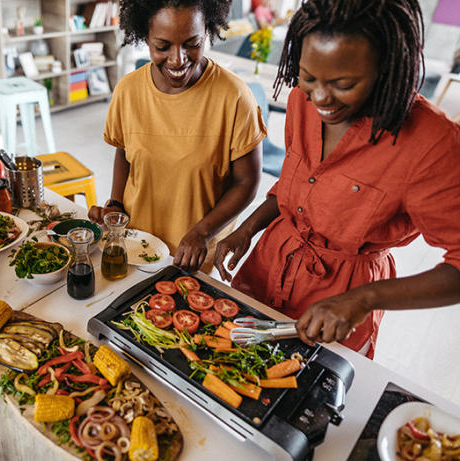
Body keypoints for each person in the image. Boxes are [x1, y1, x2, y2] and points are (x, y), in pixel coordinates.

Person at [214, 0, 460, 359]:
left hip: (340, 299)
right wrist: (247, 229)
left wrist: (363, 299)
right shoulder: (304, 99)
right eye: (308, 77)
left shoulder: (432, 144)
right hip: (267, 267)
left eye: (343, 84)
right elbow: (295, 185)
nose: (320, 98)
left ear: (387, 68)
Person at [88, 0, 266, 273]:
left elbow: (247, 181)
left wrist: (203, 232)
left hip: (194, 257)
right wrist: (116, 205)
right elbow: (124, 153)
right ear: (145, 37)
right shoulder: (128, 91)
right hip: (138, 246)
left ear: (207, 31)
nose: (178, 59)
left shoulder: (234, 96)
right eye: (162, 46)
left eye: (192, 43)